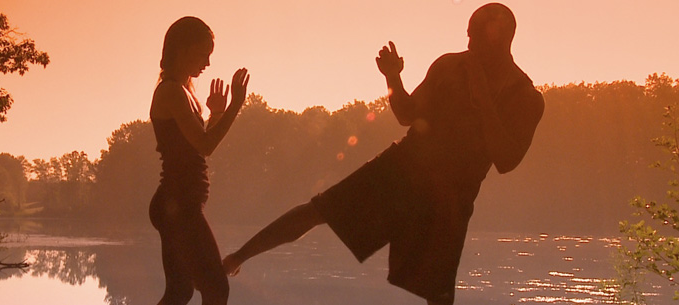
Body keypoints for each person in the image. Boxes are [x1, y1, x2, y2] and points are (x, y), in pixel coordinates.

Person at [221, 3, 543, 305]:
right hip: (403, 167)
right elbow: (407, 114)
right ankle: (236, 258)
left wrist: (484, 98)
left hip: (450, 197)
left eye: (475, 34)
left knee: (438, 295)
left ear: (499, 37)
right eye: (468, 33)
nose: (469, 42)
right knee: (318, 210)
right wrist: (393, 77)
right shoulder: (449, 65)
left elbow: (507, 160)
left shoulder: (526, 97)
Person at [149, 16, 249, 305]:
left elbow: (198, 143)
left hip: (178, 205)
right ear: (182, 49)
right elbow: (205, 146)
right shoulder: (170, 91)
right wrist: (235, 106)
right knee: (217, 289)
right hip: (178, 207)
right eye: (203, 54)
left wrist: (216, 113)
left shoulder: (184, 91)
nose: (207, 63)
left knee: (179, 292)